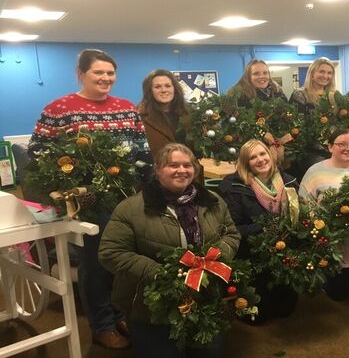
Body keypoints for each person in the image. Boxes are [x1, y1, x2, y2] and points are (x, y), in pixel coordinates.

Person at [27, 49, 149, 349]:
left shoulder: (126, 108)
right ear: (81, 74)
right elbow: (38, 152)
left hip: (127, 197)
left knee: (124, 260)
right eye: (98, 72)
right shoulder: (60, 109)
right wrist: (67, 183)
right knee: (97, 262)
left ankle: (120, 312)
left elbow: (142, 151)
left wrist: (147, 188)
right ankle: (102, 324)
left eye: (110, 73)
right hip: (88, 201)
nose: (106, 78)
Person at [99, 143, 240, 358]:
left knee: (208, 352)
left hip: (205, 298)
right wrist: (159, 273)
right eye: (173, 165)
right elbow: (111, 252)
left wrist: (215, 257)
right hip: (150, 307)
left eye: (187, 165)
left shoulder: (213, 201)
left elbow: (231, 234)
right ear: (157, 169)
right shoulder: (131, 208)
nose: (181, 170)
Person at [218, 140, 299, 323]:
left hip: (285, 252)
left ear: (270, 155)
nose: (260, 160)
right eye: (253, 157)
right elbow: (233, 229)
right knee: (258, 318)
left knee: (285, 311)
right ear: (246, 163)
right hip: (253, 256)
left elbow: (298, 215)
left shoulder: (289, 181)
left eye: (263, 154)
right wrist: (267, 227)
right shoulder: (234, 186)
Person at [299, 129, 349, 300]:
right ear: (330, 147)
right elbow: (305, 203)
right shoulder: (315, 171)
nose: (348, 148)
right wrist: (318, 227)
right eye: (341, 144)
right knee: (338, 295)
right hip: (333, 240)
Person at [289, 57, 340, 179]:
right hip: (310, 151)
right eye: (321, 71)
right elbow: (296, 125)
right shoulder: (300, 95)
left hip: (333, 149)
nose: (325, 76)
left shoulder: (334, 96)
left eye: (329, 73)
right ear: (312, 73)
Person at [138, 69, 188, 159]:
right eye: (157, 87)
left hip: (189, 170)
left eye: (168, 86)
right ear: (149, 91)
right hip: (156, 171)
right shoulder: (139, 117)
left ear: (175, 89)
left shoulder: (189, 115)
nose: (164, 90)